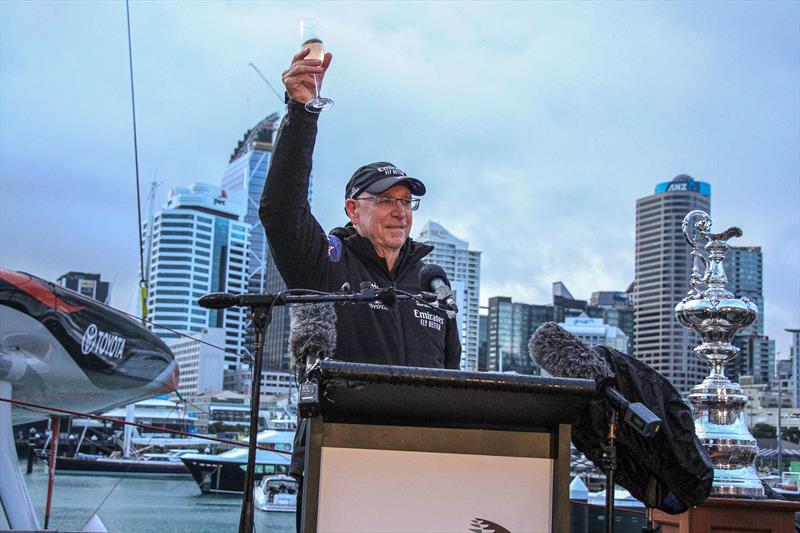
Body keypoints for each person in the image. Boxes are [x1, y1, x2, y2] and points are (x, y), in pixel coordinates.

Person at [259, 48, 461, 531]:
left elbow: (452, 374)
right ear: (353, 210)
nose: (400, 211)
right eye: (386, 200)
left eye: (406, 202)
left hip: (421, 463)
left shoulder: (432, 282)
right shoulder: (326, 264)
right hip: (340, 455)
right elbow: (281, 210)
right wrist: (302, 113)